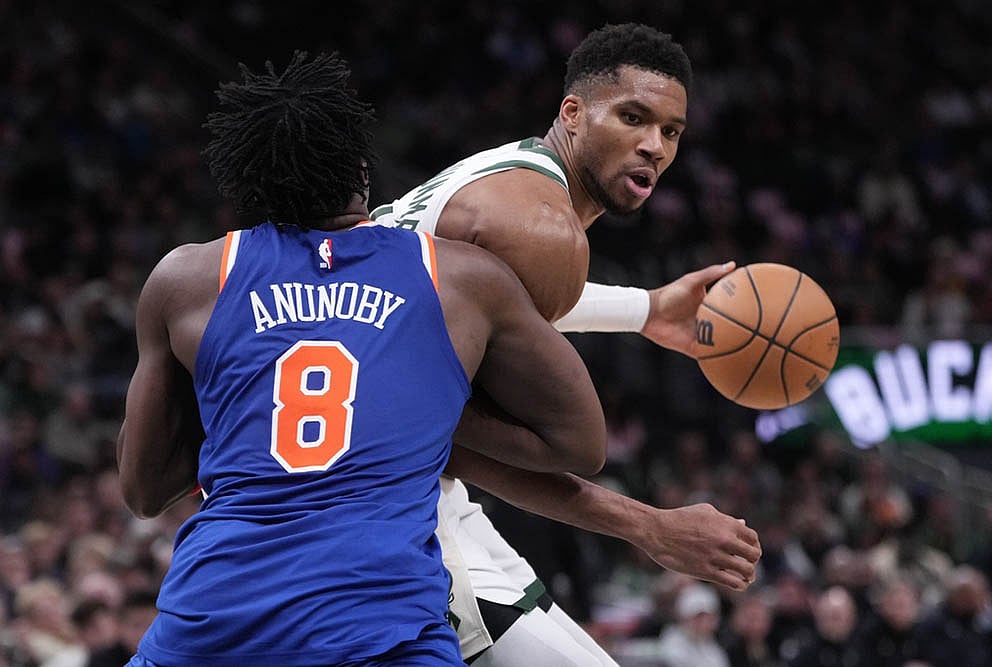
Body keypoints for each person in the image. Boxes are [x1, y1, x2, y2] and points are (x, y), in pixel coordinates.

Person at [115, 51, 607, 666]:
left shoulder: (187, 279)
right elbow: (581, 444)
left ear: (248, 181)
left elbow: (143, 489)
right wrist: (422, 415)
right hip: (382, 631)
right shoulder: (458, 277)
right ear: (363, 172)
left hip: (214, 624)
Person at [371, 22, 761, 665]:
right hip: (378, 503)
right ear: (573, 113)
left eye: (670, 132)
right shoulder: (540, 227)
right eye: (633, 117)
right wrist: (648, 526)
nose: (653, 146)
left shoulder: (500, 179)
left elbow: (498, 299)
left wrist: (647, 310)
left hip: (403, 482)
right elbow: (452, 437)